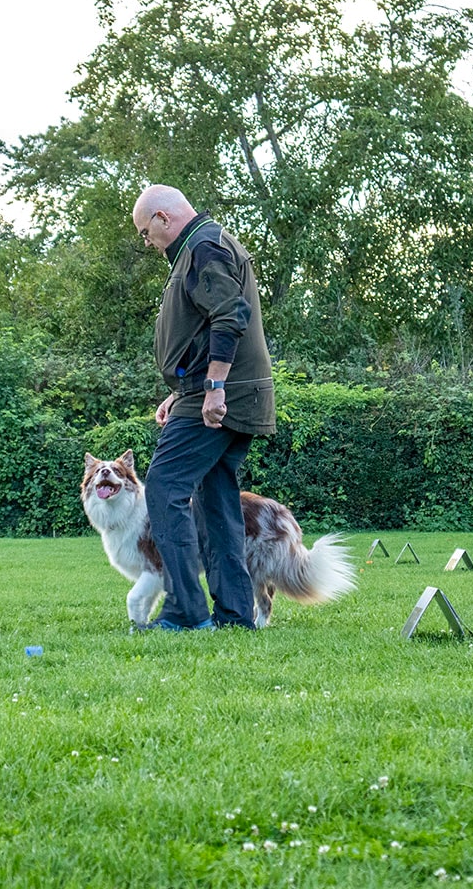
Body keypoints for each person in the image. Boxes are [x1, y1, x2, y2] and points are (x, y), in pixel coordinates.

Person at [130, 184, 276, 630]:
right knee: (216, 500)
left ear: (162, 218)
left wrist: (213, 386)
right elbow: (202, 327)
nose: (147, 242)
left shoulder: (204, 246)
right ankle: (234, 614)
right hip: (221, 393)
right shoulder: (204, 244)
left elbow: (229, 316)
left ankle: (185, 612)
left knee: (163, 486)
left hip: (223, 396)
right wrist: (183, 390)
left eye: (145, 232)